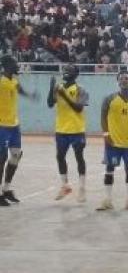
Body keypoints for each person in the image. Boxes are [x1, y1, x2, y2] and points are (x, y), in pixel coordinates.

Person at [97, 70, 128, 211]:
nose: (124, 80)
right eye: (122, 78)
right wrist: (105, 134)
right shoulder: (109, 99)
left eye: (127, 78)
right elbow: (103, 117)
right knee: (109, 169)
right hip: (113, 142)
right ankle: (107, 200)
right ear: (118, 81)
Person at [0, 55, 38, 206]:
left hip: (14, 125)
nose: (17, 66)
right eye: (15, 64)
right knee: (1, 159)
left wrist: (30, 95)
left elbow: (19, 89)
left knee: (16, 156)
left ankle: (6, 189)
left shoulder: (14, 80)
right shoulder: (1, 82)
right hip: (2, 126)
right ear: (6, 66)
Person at [47, 64, 88, 202]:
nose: (66, 71)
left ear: (76, 74)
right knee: (59, 157)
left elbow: (78, 108)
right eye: (65, 69)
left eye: (70, 70)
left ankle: (82, 188)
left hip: (77, 129)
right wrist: (51, 89)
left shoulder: (81, 90)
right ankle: (65, 186)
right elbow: (50, 104)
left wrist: (63, 94)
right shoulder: (58, 87)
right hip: (61, 129)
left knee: (79, 157)